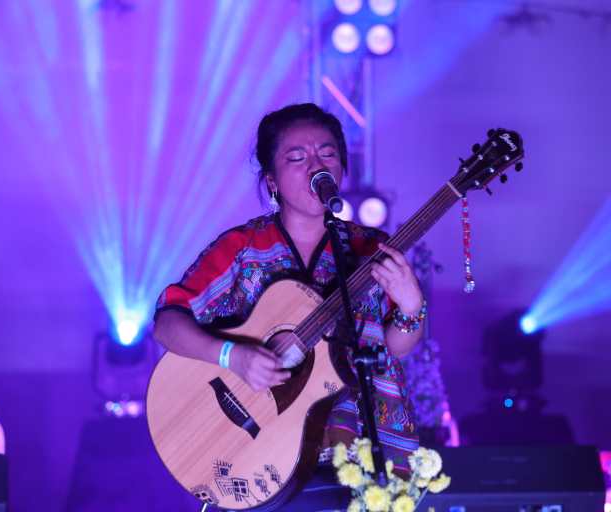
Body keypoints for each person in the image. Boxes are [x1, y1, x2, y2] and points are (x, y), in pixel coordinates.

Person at [153, 103, 425, 507]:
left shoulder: (370, 247)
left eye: (327, 154)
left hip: (355, 449)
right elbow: (168, 323)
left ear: (342, 168)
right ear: (272, 181)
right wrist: (233, 356)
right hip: (258, 449)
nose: (316, 164)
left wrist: (411, 306)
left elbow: (394, 348)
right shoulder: (244, 247)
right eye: (297, 158)